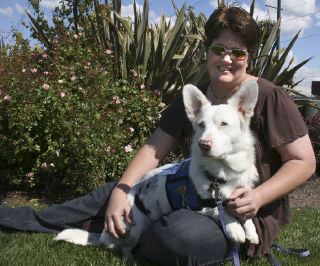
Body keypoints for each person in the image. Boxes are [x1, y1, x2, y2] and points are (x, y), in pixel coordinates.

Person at [0, 5, 315, 266]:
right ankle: (14, 219)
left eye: (238, 52)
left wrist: (258, 197)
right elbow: (154, 149)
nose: (227, 59)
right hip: (187, 194)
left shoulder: (269, 97)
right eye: (219, 49)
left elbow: (303, 161)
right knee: (111, 193)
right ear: (206, 52)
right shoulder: (197, 97)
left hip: (241, 212)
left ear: (250, 56)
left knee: (176, 240)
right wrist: (122, 192)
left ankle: (121, 235)